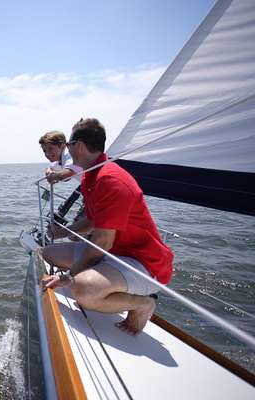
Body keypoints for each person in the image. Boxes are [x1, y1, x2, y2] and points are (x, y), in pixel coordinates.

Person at [40, 118, 174, 335]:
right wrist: (63, 231)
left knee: (82, 290)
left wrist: (68, 277)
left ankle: (143, 304)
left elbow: (102, 241)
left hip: (143, 263)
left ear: (79, 146)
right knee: (48, 253)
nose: (68, 149)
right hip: (113, 253)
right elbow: (92, 222)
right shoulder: (91, 177)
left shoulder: (111, 180)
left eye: (70, 144)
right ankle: (100, 278)